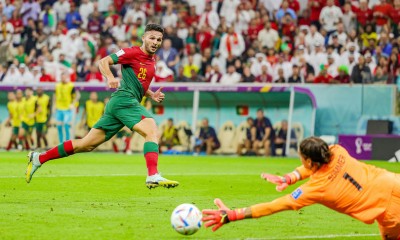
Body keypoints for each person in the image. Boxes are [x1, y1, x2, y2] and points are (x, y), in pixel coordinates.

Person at [25, 24, 179, 189]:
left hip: (121, 104)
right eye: (152, 38)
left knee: (86, 144)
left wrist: (151, 94)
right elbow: (103, 61)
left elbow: (139, 84)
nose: (155, 42)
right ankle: (152, 175)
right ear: (143, 38)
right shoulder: (131, 52)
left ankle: (39, 158)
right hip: (124, 100)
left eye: (159, 39)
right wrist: (110, 77)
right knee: (151, 129)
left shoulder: (152, 60)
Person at [202, 137, 400, 239]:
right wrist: (290, 177)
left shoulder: (316, 188)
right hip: (393, 183)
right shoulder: (338, 151)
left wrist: (233, 215)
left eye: (301, 159)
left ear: (309, 162)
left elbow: (275, 205)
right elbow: (314, 166)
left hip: (389, 213)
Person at [54, 72, 78, 143]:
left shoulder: (71, 85)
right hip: (59, 109)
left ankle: (67, 143)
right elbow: (55, 96)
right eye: (62, 77)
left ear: (67, 77)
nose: (63, 78)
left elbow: (77, 95)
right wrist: (54, 105)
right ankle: (61, 143)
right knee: (59, 127)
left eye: (64, 77)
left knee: (66, 126)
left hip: (67, 109)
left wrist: (73, 104)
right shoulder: (57, 86)